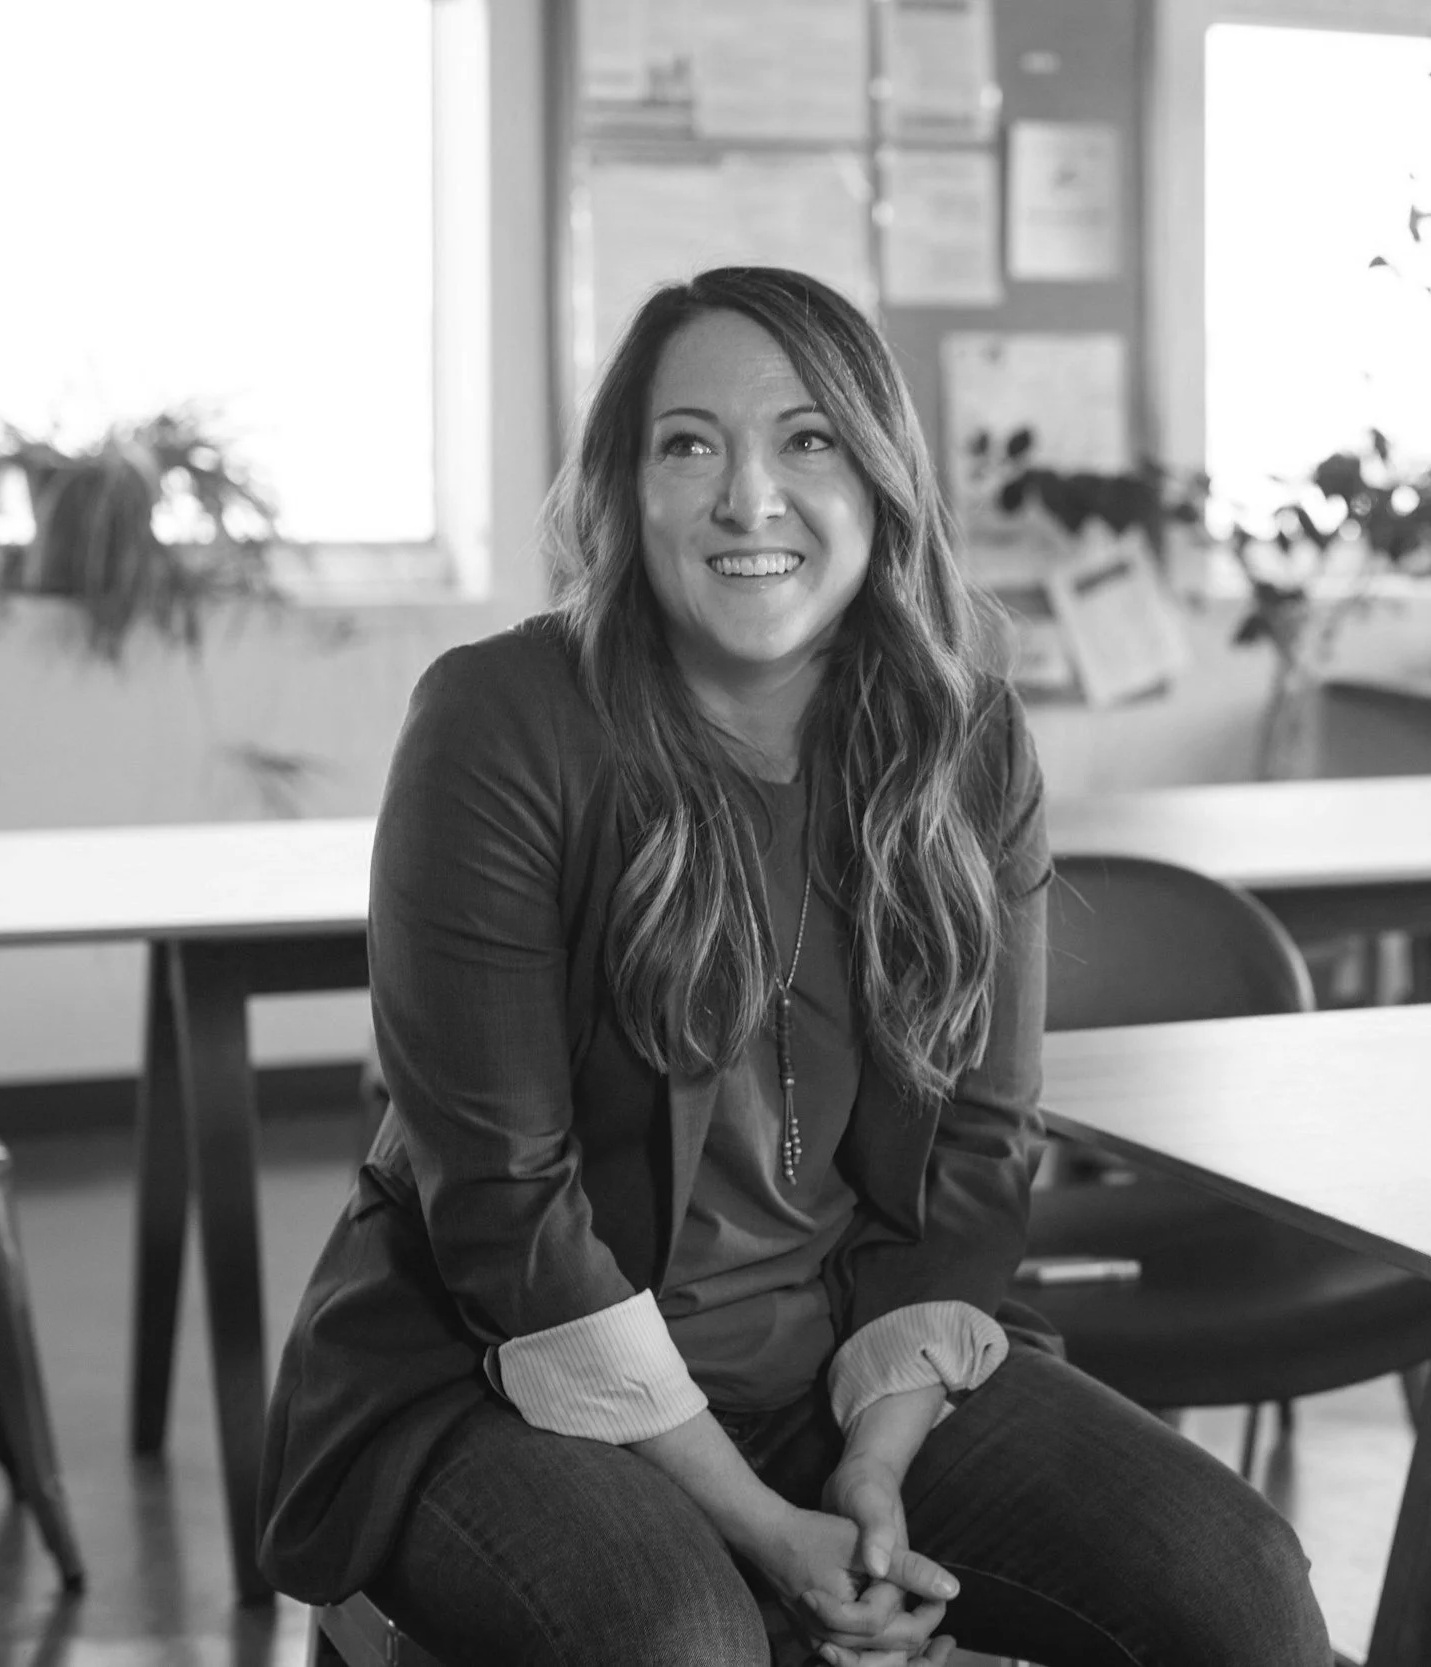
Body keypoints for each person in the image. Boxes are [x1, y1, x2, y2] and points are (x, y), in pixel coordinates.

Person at [258, 266, 1332, 1666]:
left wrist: (876, 1459)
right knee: (687, 1637)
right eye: (688, 442)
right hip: (497, 1376)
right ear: (623, 492)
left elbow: (979, 1146)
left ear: (880, 477)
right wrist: (766, 1526)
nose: (747, 497)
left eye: (807, 439)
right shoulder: (500, 720)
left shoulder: (967, 739)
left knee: (1236, 1583)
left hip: (847, 1356)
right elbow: (502, 1207)